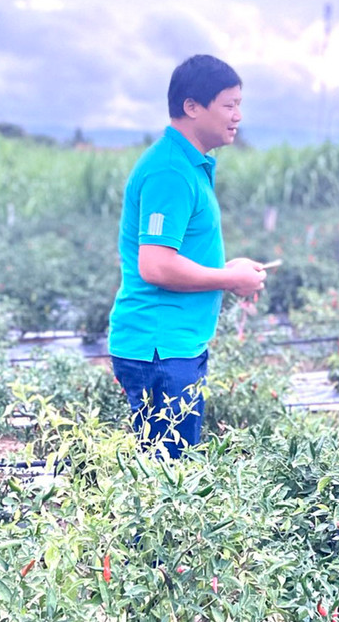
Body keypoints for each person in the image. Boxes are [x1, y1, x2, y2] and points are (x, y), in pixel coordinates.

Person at [108, 54, 268, 458]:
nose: (238, 115)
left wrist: (227, 269)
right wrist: (230, 280)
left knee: (169, 476)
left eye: (239, 104)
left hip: (174, 344)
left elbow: (173, 256)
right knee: (167, 482)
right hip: (159, 348)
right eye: (229, 104)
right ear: (192, 107)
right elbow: (157, 265)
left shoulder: (189, 165)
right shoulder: (170, 171)